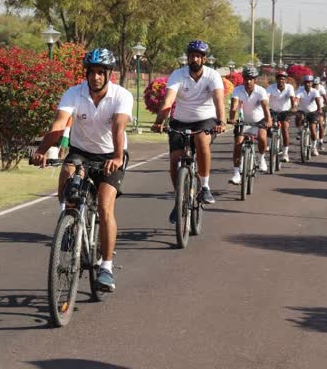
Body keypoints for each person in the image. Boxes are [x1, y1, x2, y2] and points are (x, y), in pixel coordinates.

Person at [30, 48, 132, 292]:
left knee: (106, 207)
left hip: (111, 155)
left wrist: (118, 157)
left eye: (100, 72)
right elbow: (59, 123)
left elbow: (118, 127)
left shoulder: (122, 95)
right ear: (85, 73)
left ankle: (106, 267)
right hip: (82, 152)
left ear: (109, 74)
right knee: (68, 172)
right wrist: (42, 150)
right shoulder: (74, 93)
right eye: (91, 72)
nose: (95, 77)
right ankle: (67, 219)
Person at [152, 40, 226, 221]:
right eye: (191, 55)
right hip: (180, 120)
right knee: (175, 158)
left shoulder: (213, 75)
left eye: (198, 56)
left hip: (205, 120)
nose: (194, 59)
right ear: (188, 57)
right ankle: (179, 199)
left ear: (204, 59)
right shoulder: (178, 75)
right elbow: (169, 101)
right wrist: (159, 121)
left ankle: (206, 187)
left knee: (201, 142)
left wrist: (221, 121)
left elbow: (218, 100)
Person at [229, 66, 272, 183]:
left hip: (259, 121)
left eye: (251, 79)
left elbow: (265, 108)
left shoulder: (261, 91)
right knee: (238, 143)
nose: (248, 81)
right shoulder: (238, 90)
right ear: (243, 79)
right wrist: (232, 118)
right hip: (243, 121)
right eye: (246, 78)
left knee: (262, 138)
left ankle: (262, 158)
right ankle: (236, 173)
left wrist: (268, 121)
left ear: (255, 79)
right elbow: (234, 106)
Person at [266, 71, 296, 162]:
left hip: (285, 111)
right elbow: (266, 99)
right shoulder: (271, 87)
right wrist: (265, 109)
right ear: (276, 80)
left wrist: (293, 108)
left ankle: (285, 153)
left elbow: (292, 99)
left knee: (285, 129)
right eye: (279, 79)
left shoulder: (289, 87)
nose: (281, 81)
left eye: (283, 79)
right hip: (272, 111)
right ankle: (269, 142)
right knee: (267, 124)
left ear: (286, 80)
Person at [295, 75, 322, 157]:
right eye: (306, 82)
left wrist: (319, 109)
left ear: (311, 83)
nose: (307, 84)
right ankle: (300, 131)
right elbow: (297, 99)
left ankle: (314, 148)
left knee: (313, 129)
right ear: (304, 83)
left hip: (312, 112)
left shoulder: (315, 91)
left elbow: (318, 101)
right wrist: (295, 106)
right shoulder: (300, 90)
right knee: (298, 117)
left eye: (309, 82)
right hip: (302, 110)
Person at [312, 77, 327, 152]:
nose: (315, 85)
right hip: (311, 109)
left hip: (320, 108)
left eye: (316, 84)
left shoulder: (321, 88)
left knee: (320, 124)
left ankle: (321, 141)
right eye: (314, 84)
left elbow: (325, 97)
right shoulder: (309, 88)